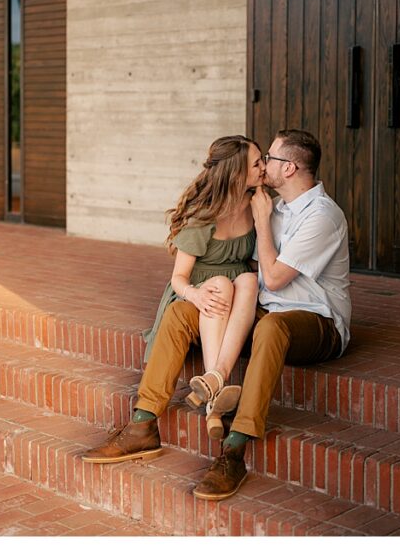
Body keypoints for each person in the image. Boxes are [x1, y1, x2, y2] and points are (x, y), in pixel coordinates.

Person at [82, 129, 350, 502]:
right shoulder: (272, 205)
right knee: (180, 314)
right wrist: (209, 293)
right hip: (265, 311)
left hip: (317, 321)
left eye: (269, 159)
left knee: (271, 327)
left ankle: (234, 450)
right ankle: (143, 425)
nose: (264, 165)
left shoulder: (321, 215)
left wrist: (259, 225)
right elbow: (247, 267)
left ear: (288, 168)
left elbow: (270, 276)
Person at [138, 135, 263, 441]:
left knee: (247, 278)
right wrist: (196, 293)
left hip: (238, 291)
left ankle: (213, 380)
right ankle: (214, 405)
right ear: (236, 174)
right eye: (257, 162)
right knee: (220, 283)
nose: (264, 167)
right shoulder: (204, 216)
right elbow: (178, 277)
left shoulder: (257, 202)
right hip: (200, 292)